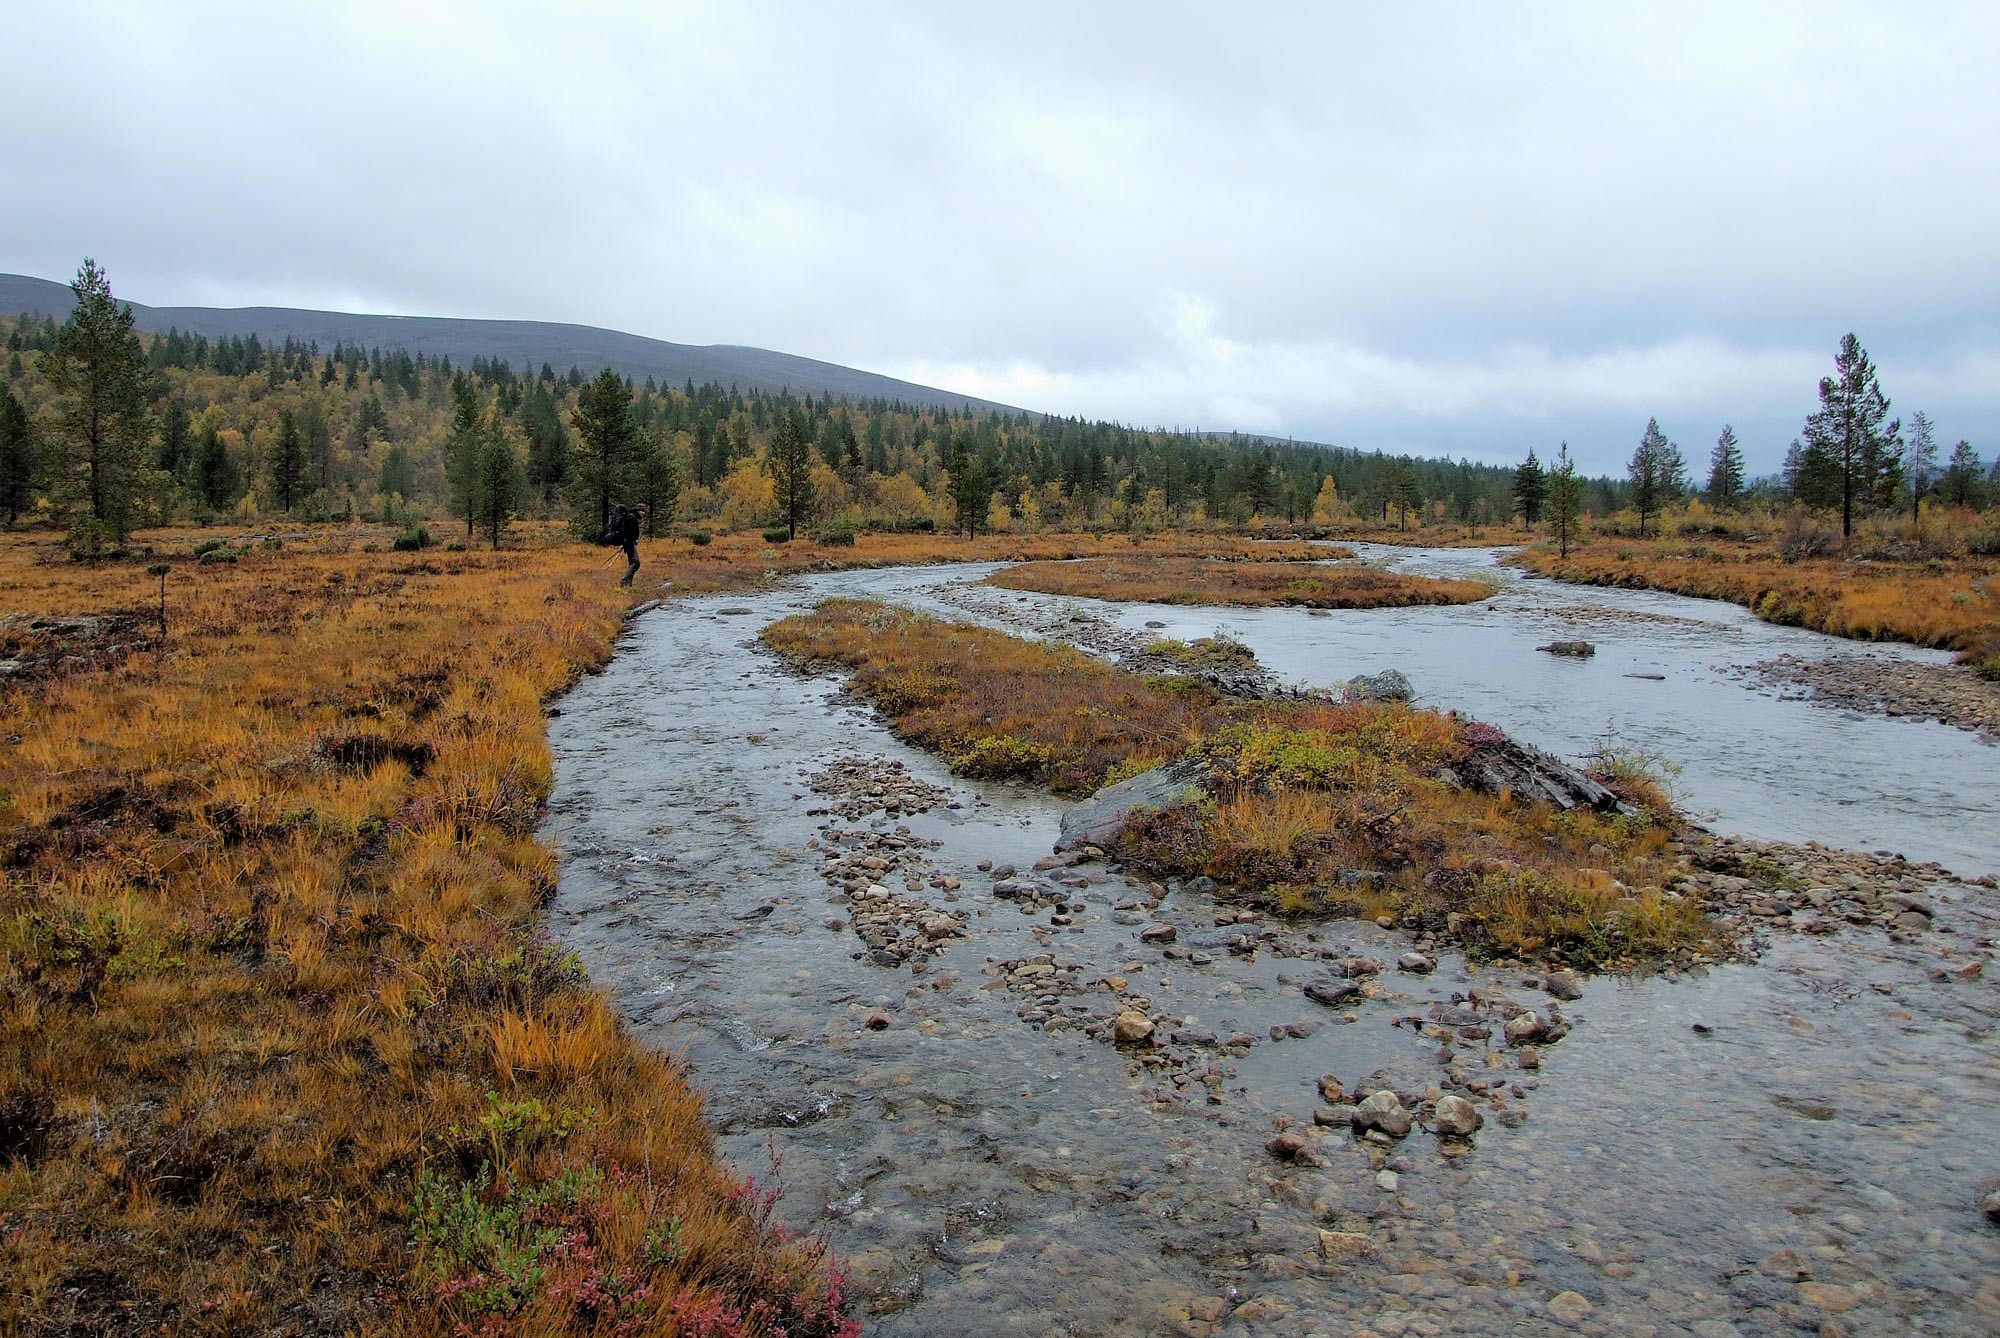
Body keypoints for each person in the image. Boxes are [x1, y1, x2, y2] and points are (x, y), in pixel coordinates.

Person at [616, 503, 646, 586]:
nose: (644, 513)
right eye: (642, 511)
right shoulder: (632, 518)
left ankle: (629, 584)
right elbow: (628, 532)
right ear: (638, 511)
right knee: (636, 563)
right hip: (629, 543)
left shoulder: (631, 516)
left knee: (632, 562)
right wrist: (631, 541)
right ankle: (624, 581)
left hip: (628, 542)